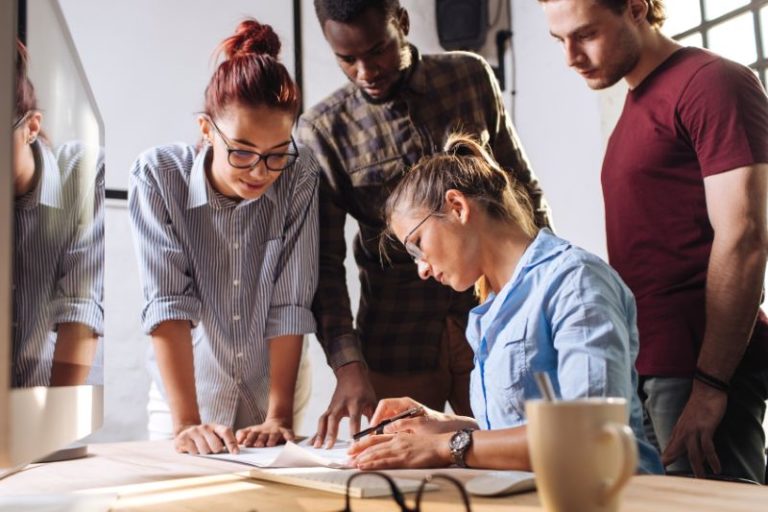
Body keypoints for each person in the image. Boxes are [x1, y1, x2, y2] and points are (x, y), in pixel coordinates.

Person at [298, 0, 552, 448]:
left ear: (402, 23)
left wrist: (545, 299)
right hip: (397, 339)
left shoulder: (469, 76)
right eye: (346, 59)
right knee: (397, 472)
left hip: (497, 323)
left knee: (517, 462)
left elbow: (523, 195)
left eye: (377, 50)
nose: (364, 71)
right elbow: (324, 265)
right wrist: (348, 368)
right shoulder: (322, 130)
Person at [539, 0, 768, 482]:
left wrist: (710, 383)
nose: (571, 58)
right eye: (560, 41)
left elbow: (745, 237)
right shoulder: (634, 105)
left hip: (698, 369)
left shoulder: (712, 82)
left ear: (637, 8)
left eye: (585, 35)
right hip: (646, 367)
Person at [346, 134, 662, 474]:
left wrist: (443, 446)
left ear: (457, 207)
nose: (421, 268)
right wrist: (440, 425)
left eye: (417, 245)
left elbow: (589, 435)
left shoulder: (575, 281)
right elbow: (515, 428)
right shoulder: (490, 309)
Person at [129, 19, 319, 455]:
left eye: (276, 154)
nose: (259, 172)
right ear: (206, 129)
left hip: (275, 388)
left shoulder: (300, 172)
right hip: (189, 394)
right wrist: (186, 424)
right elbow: (167, 304)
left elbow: (289, 302)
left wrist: (278, 416)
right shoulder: (157, 177)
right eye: (242, 151)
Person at [12, 40, 104, 388]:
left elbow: (79, 308)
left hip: (53, 408)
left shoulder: (82, 171)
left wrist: (50, 422)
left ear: (31, 127)